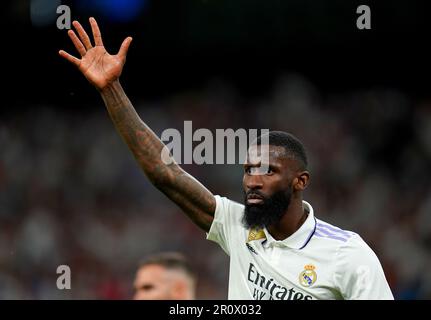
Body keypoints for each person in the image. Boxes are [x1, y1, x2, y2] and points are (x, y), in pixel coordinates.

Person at [59, 18, 394, 300]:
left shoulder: (349, 255)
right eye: (248, 170)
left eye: (267, 171)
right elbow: (165, 173)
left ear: (300, 181)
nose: (252, 180)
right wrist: (111, 89)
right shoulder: (238, 228)